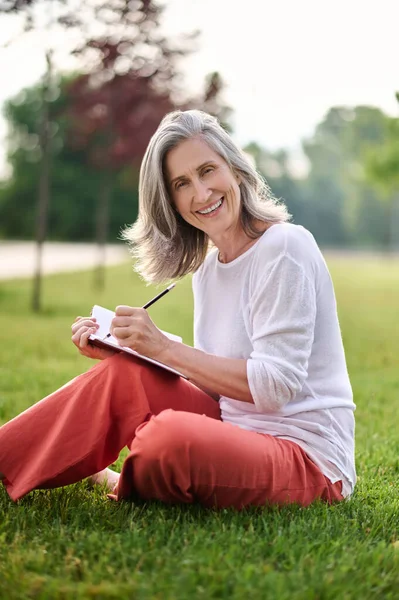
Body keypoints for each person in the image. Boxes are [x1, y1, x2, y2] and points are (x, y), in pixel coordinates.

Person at [0, 110, 356, 508]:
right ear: (170, 200)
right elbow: (212, 384)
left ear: (235, 169)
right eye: (181, 184)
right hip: (234, 428)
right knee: (124, 375)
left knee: (167, 439)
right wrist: (131, 350)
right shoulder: (208, 269)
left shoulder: (284, 246)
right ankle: (5, 459)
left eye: (208, 170)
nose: (201, 193)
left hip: (305, 457)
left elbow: (274, 387)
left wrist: (165, 349)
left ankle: (118, 480)